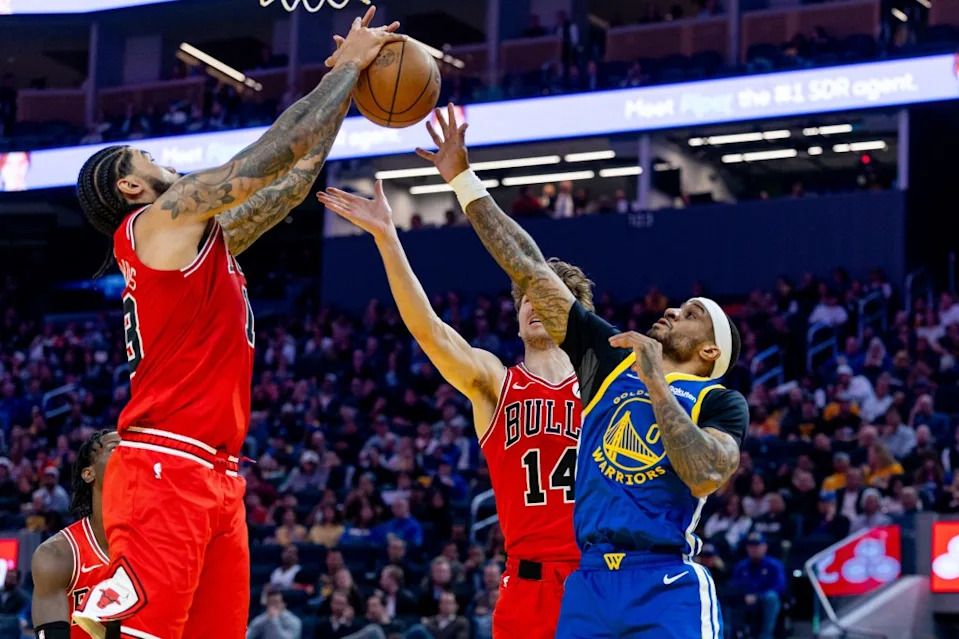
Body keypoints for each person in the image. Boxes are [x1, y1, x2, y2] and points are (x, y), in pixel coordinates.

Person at [70, 9, 404, 639]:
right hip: (166, 466)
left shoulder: (198, 241)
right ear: (130, 185)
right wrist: (351, 67)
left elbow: (290, 182)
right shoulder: (156, 221)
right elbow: (271, 150)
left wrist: (341, 89)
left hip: (218, 474)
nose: (160, 158)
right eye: (146, 156)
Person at [415, 104, 748, 638]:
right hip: (588, 581)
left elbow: (707, 471)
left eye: (690, 315)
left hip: (663, 579)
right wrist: (462, 180)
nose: (670, 311)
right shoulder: (607, 361)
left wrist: (655, 382)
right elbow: (531, 268)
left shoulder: (719, 402)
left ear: (709, 352)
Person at [318, 167, 593, 639]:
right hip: (528, 586)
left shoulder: (603, 388)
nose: (535, 304)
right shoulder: (495, 382)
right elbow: (428, 328)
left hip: (598, 577)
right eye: (526, 296)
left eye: (549, 297)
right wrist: (387, 237)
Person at [31, 430, 120, 639]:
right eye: (115, 448)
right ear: (88, 473)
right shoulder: (57, 555)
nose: (128, 454)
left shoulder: (162, 548)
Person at [730, 532, 785, 639]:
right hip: (744, 599)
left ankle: (766, 635)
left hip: (764, 599)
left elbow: (780, 587)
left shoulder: (774, 565)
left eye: (757, 545)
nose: (754, 549)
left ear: (765, 547)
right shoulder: (741, 566)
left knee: (771, 597)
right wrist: (744, 595)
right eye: (751, 546)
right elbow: (733, 585)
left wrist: (758, 596)